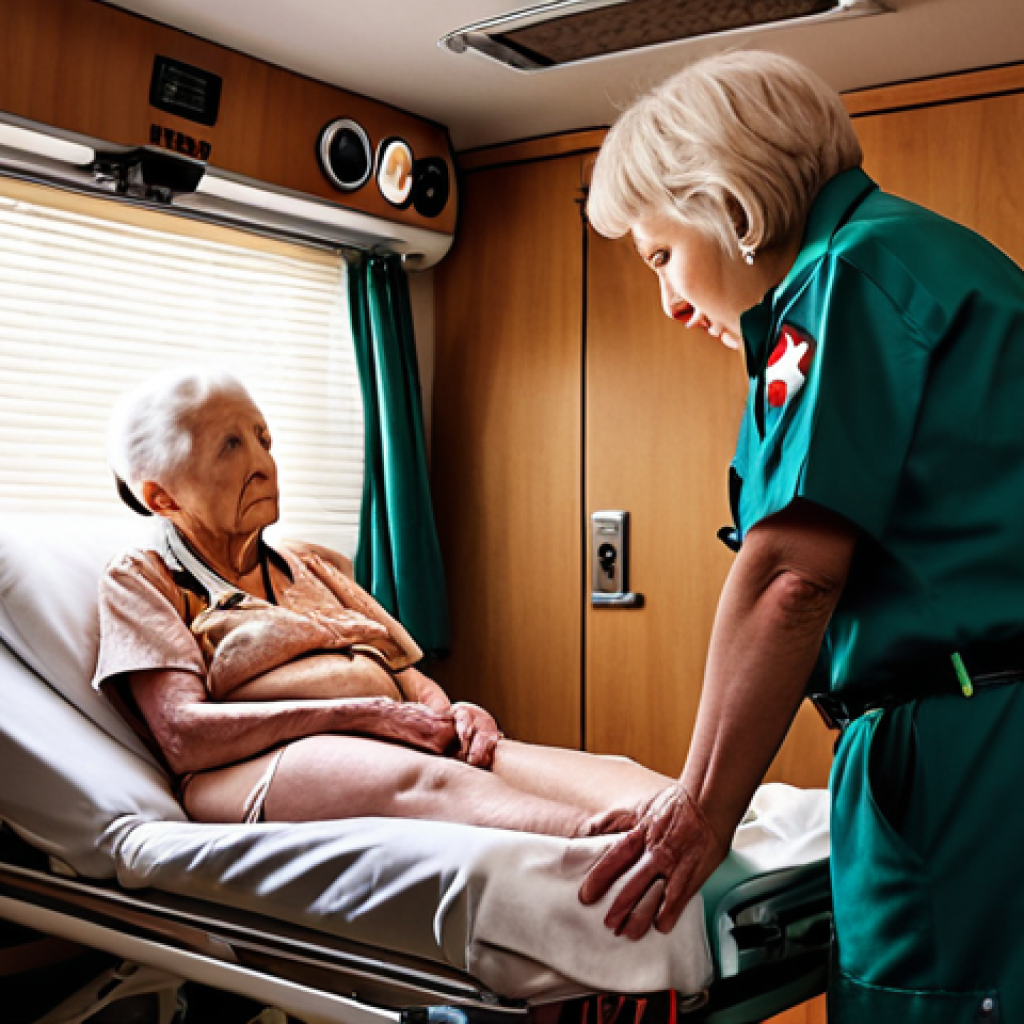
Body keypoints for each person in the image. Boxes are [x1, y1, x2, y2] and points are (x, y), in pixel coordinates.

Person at [577, 50, 1024, 1021]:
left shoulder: (844, 276)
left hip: (960, 747)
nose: (667, 302)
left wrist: (698, 810)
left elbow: (789, 575)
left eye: (660, 255)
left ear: (722, 199)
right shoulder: (929, 258)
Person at [94, 368, 672, 837]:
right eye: (229, 447)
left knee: (616, 777)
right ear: (161, 496)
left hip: (384, 735)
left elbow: (406, 674)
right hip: (247, 770)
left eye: (263, 439)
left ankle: (674, 820)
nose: (264, 463)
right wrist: (357, 714)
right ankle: (599, 845)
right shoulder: (144, 579)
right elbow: (182, 734)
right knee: (427, 780)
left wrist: (453, 713)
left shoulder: (312, 563)